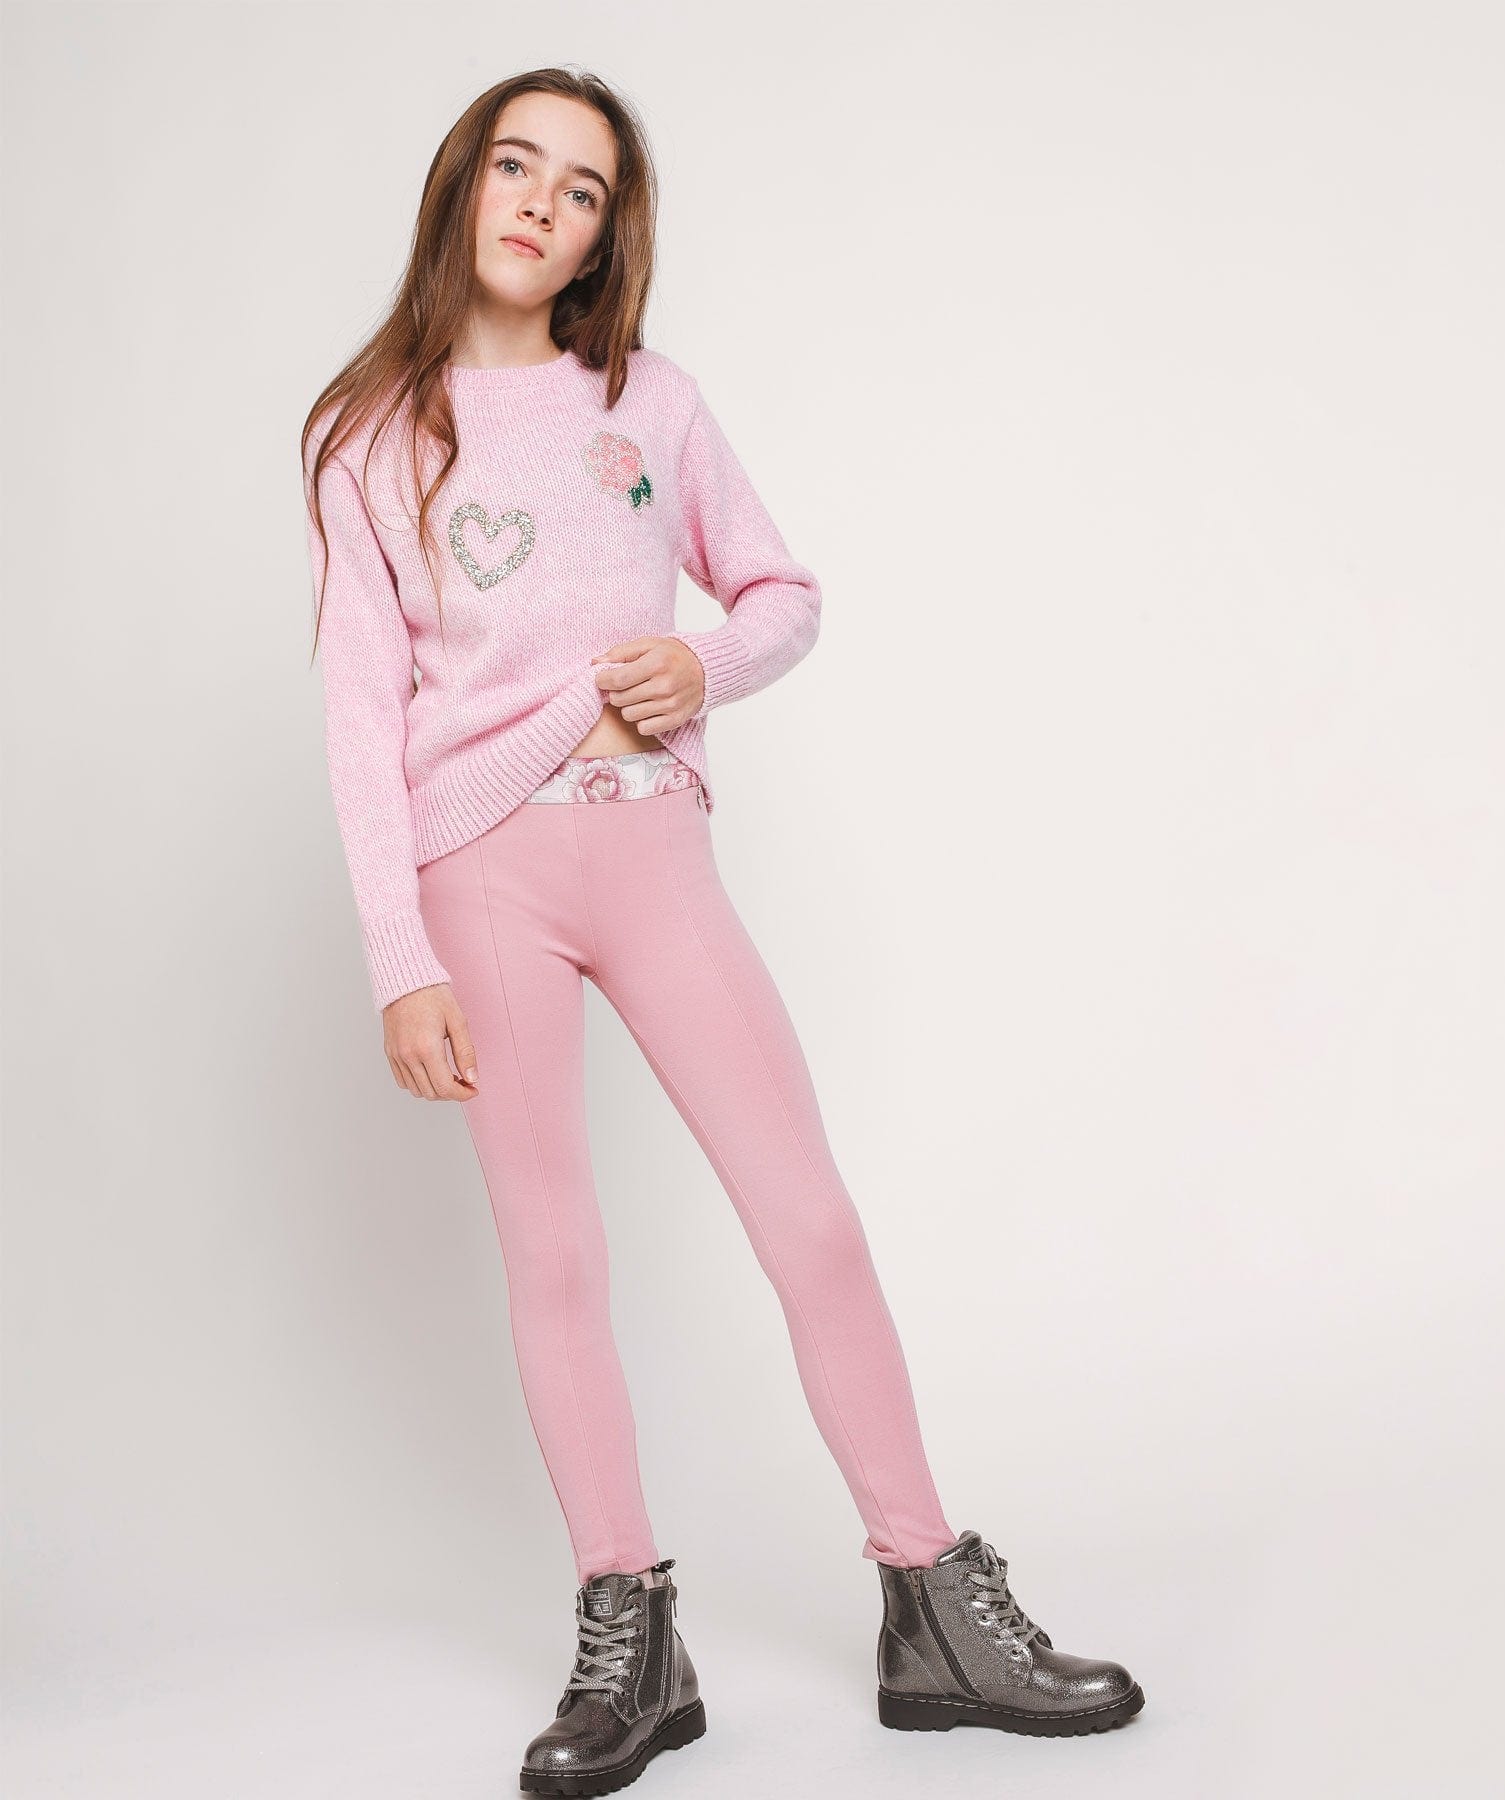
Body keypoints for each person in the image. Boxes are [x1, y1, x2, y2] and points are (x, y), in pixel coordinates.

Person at [300, 64, 1144, 1794]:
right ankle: (632, 1634)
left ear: (607, 234)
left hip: (651, 851)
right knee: (556, 1258)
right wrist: (401, 959)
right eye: (517, 166)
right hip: (479, 874)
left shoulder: (652, 406)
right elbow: (356, 714)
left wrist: (705, 662)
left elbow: (782, 594)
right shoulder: (371, 436)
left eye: (583, 188)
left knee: (807, 1219)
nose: (543, 204)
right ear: (463, 186)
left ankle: (933, 1601)